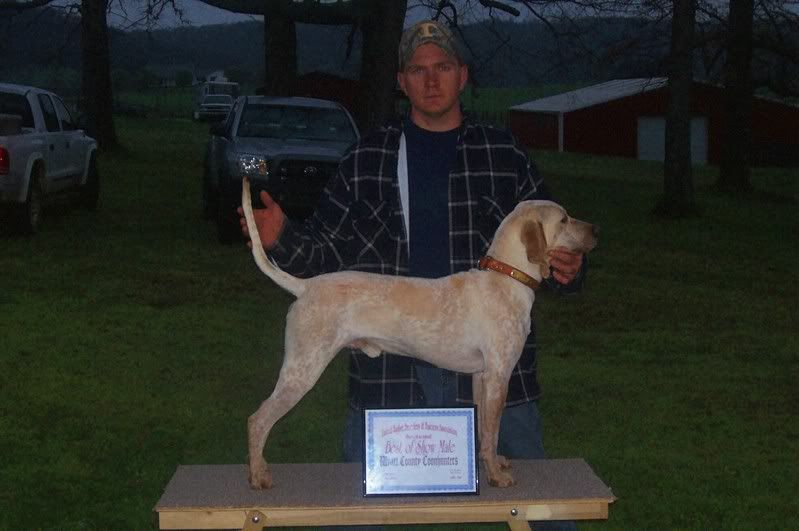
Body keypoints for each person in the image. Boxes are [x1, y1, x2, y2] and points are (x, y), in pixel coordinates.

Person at [239, 19, 584, 530]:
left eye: (443, 66)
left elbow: (552, 240)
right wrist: (281, 237)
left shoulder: (505, 154)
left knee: (546, 516)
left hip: (502, 384)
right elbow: (325, 251)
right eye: (418, 70)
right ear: (401, 82)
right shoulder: (366, 157)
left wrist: (570, 268)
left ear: (462, 75)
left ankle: (493, 456)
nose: (431, 79)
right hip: (390, 386)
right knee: (357, 520)